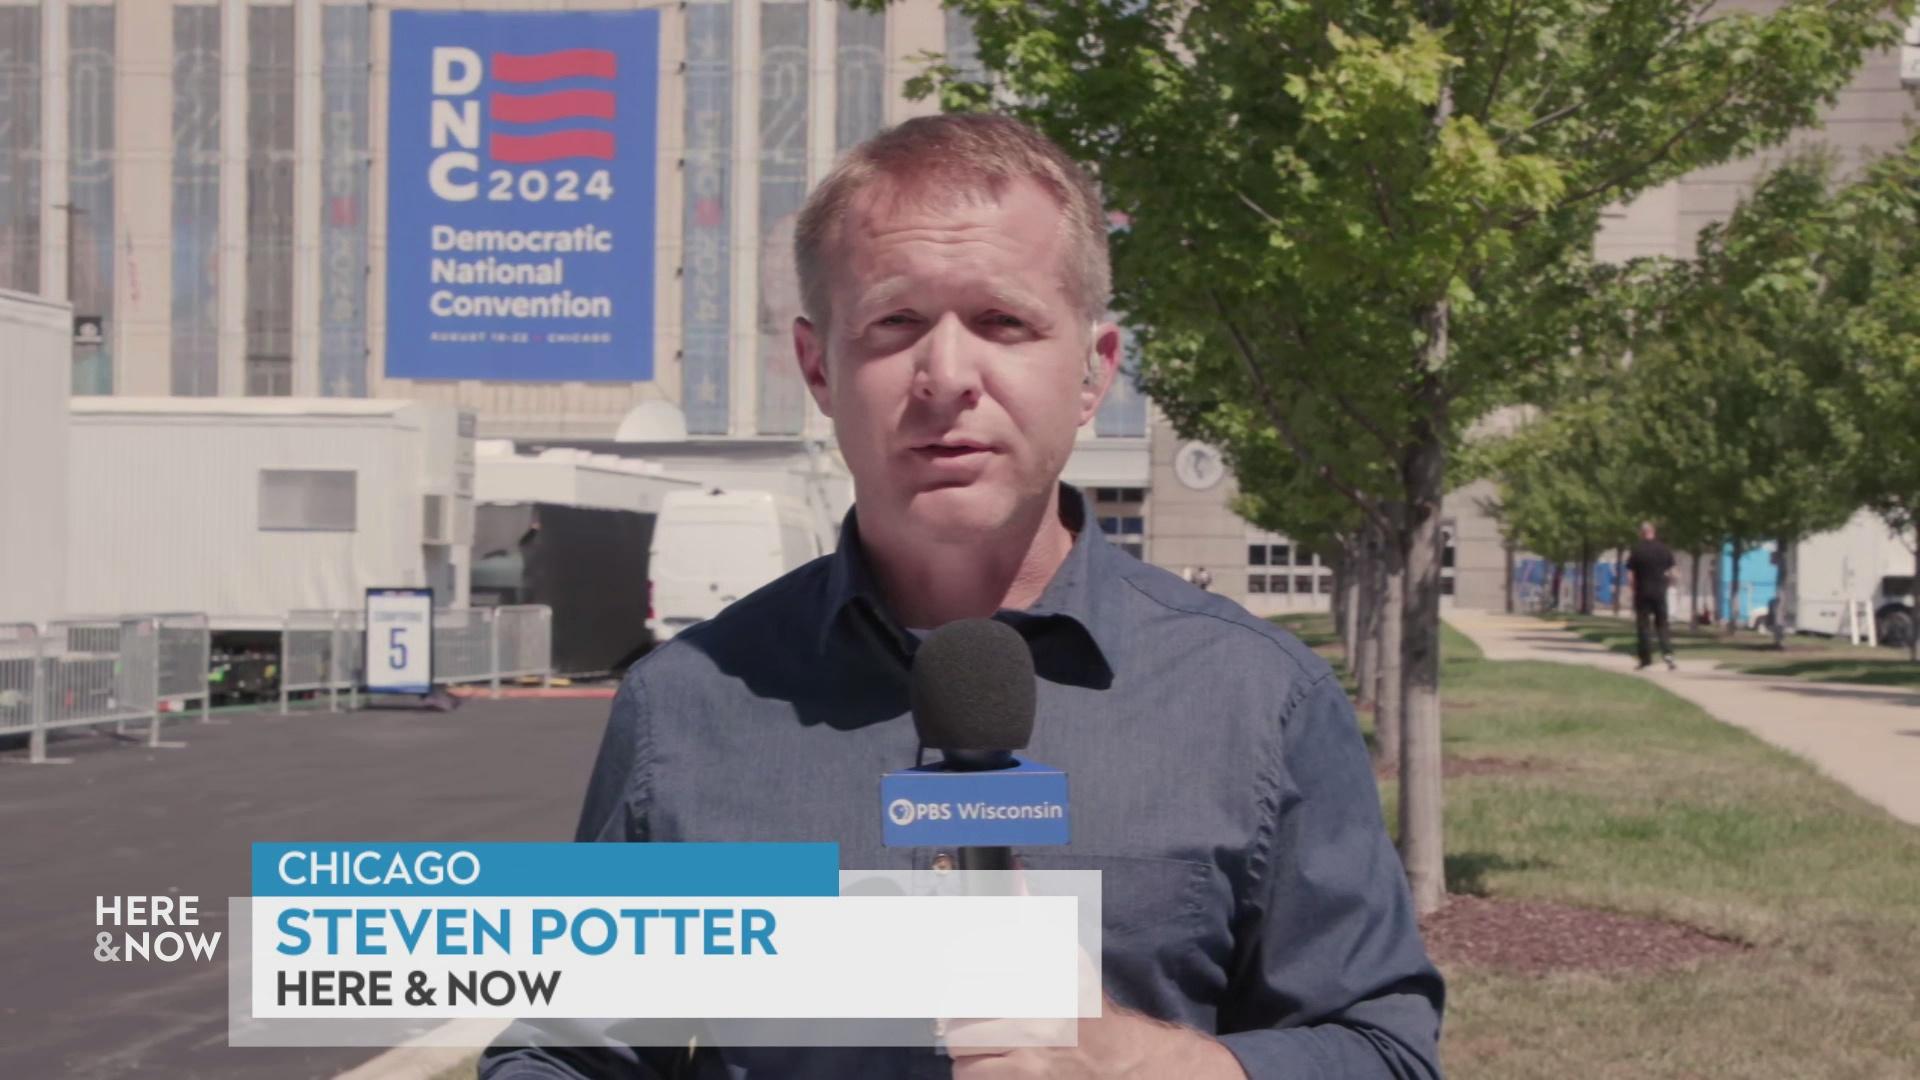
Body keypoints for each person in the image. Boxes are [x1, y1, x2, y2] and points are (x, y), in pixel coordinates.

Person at [481, 114, 1441, 1079]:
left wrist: (1146, 1064)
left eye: (1003, 322)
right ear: (820, 367)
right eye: (896, 324)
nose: (947, 377)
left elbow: (1383, 1050)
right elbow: (565, 1052)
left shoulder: (1260, 701)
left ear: (1093, 371)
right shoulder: (682, 706)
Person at [1627, 521, 1678, 671]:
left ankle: (1645, 659)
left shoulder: (1637, 550)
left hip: (1642, 593)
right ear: (1653, 532)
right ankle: (1668, 655)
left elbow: (1630, 575)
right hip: (1659, 593)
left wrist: (1633, 590)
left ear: (1641, 533)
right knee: (1662, 624)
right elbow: (1673, 571)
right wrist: (1668, 584)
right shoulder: (1664, 549)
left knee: (1643, 627)